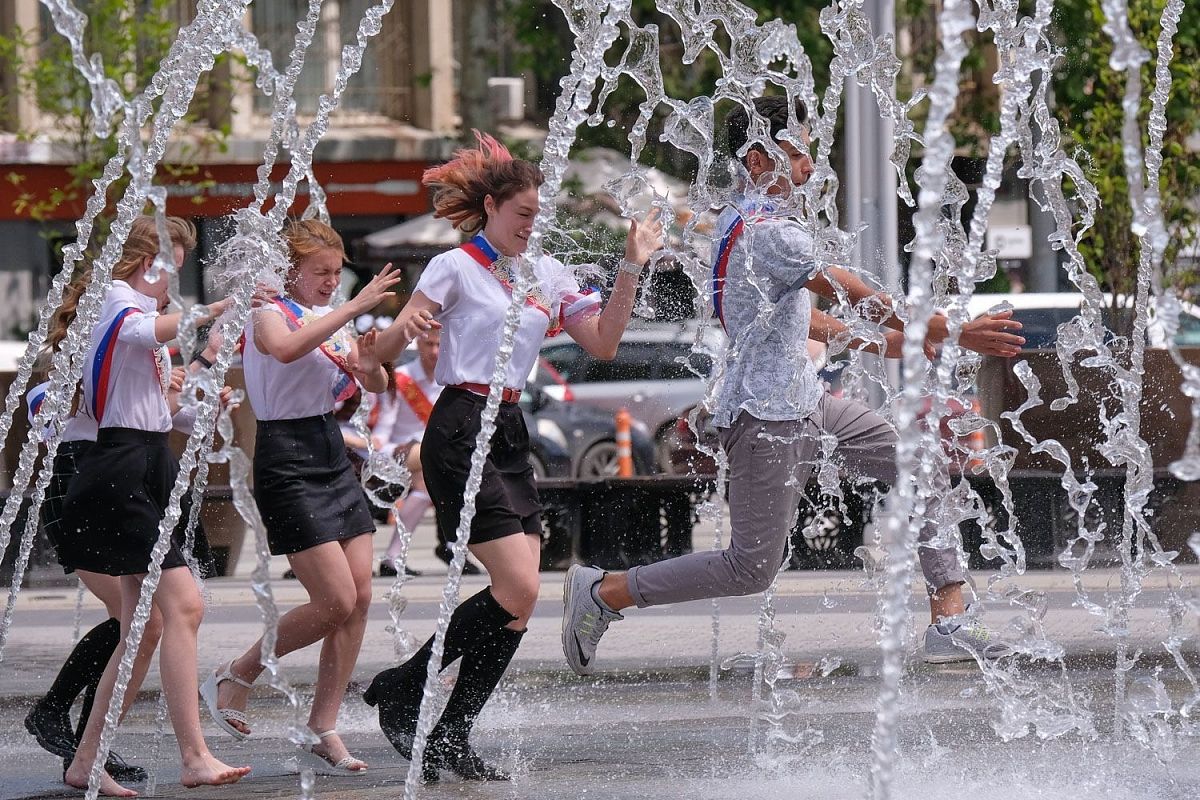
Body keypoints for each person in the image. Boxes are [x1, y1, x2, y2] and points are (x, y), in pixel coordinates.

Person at [561, 96, 1027, 676]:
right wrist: (958, 331)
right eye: (799, 152)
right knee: (750, 568)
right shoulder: (768, 233)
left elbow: (804, 321)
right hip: (765, 416)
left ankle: (950, 619)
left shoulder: (741, 221)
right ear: (758, 160)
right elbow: (862, 298)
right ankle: (604, 592)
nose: (810, 167)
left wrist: (898, 343)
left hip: (806, 400)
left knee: (920, 459)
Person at [363, 131, 662, 783]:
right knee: (519, 584)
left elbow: (605, 343)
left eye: (538, 216)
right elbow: (382, 353)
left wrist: (631, 265)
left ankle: (449, 734)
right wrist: (399, 331)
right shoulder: (453, 267)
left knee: (520, 601)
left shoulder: (547, 275)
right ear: (493, 207)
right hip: (460, 424)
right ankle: (402, 685)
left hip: (508, 426)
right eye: (522, 214)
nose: (531, 226)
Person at [199, 219, 400, 776]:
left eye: (337, 274)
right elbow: (283, 350)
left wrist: (369, 361)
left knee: (359, 598)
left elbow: (377, 382)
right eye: (320, 274)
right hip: (285, 457)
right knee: (332, 599)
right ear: (291, 271)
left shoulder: (329, 320)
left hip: (331, 452)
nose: (331, 283)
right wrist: (354, 309)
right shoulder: (268, 308)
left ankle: (322, 724)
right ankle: (236, 673)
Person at [58, 215, 249, 797]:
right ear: (151, 263)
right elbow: (145, 333)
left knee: (147, 625)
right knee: (182, 606)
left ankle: (87, 761)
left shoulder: (138, 312)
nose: (177, 281)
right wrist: (215, 312)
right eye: (177, 266)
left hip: (143, 462)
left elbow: (165, 417)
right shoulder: (115, 301)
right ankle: (193, 755)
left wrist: (204, 389)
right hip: (121, 467)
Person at [372, 327, 483, 577]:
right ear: (418, 344)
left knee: (453, 467)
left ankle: (450, 546)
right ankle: (395, 556)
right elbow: (384, 427)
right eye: (428, 344)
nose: (434, 352)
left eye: (439, 345)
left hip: (436, 456)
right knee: (429, 471)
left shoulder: (455, 379)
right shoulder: (400, 379)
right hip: (397, 451)